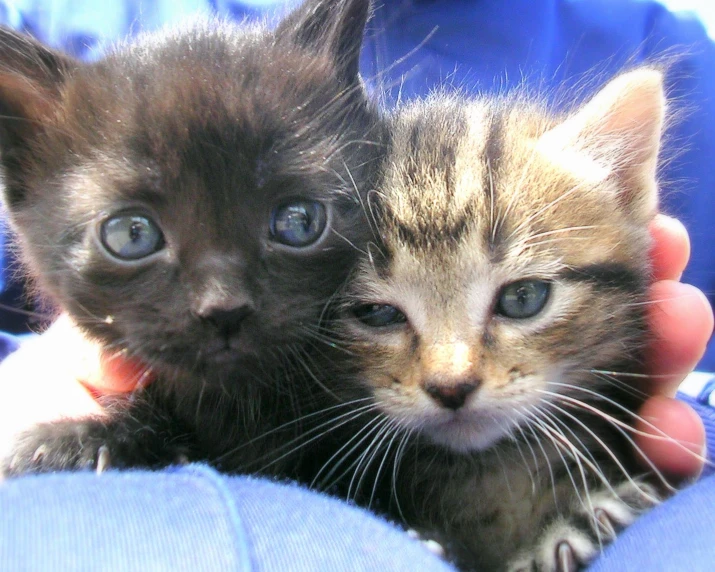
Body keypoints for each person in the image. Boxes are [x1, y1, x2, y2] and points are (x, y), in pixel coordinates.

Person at [0, 1, 714, 570]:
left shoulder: (665, 47)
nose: (451, 373)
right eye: (373, 309)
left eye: (296, 221)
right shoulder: (65, 16)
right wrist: (35, 384)